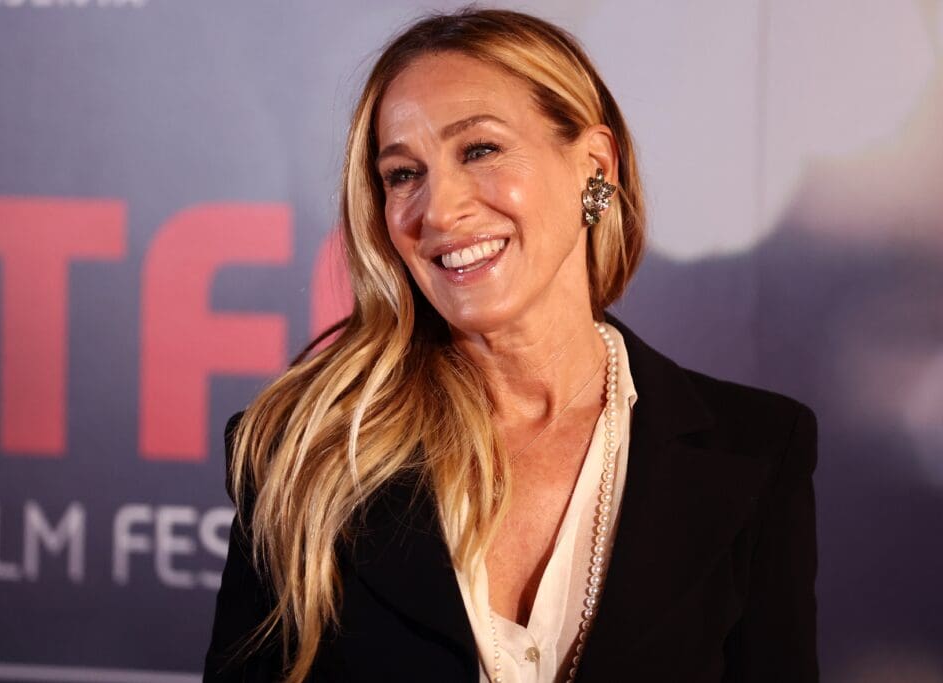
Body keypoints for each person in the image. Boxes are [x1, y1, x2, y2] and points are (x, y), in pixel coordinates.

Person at [203, 8, 818, 683]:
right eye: (403, 174)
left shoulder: (758, 449)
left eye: (479, 150)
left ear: (594, 166)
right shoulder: (302, 453)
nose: (438, 210)